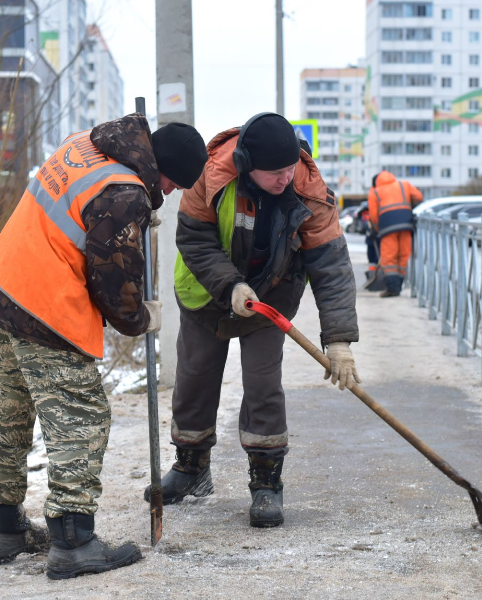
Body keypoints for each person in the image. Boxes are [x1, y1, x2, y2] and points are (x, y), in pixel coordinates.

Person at [0, 113, 208, 579]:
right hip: (46, 309)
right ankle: (73, 541)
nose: (174, 193)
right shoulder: (124, 195)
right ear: (163, 170)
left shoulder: (88, 145)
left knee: (8, 413)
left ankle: (3, 528)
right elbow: (115, 286)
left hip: (1, 286)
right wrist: (140, 318)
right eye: (175, 184)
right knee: (81, 418)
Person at [145, 112, 359, 528]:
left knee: (263, 385)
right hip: (206, 294)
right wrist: (230, 286)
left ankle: (266, 483)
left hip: (269, 299)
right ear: (247, 165)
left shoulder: (309, 192)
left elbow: (331, 267)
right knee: (194, 379)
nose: (284, 179)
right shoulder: (212, 176)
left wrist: (339, 340)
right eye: (274, 173)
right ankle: (190, 470)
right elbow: (193, 237)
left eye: (289, 168)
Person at [367, 171, 423, 297]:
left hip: (387, 227)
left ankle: (393, 288)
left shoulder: (375, 191)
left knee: (389, 257)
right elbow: (419, 197)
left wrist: (377, 229)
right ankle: (399, 284)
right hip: (406, 223)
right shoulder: (404, 185)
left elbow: (374, 215)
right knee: (403, 255)